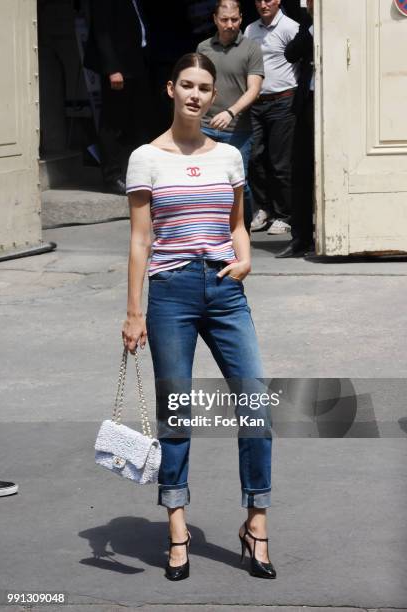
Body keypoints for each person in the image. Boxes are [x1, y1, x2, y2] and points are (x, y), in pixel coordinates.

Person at [122, 52, 275, 581]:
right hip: (170, 293)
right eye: (186, 85)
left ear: (214, 97)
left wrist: (247, 256)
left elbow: (236, 224)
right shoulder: (146, 157)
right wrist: (133, 311)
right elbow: (140, 240)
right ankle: (178, 529)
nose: (195, 94)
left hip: (225, 290)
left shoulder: (228, 157)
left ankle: (256, 523)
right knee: (178, 414)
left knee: (255, 401)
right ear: (170, 89)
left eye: (204, 88)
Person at [197, 0, 264, 231]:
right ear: (215, 19)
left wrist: (230, 111)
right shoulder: (203, 48)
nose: (229, 25)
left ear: (241, 18)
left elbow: (254, 89)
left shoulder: (251, 48)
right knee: (205, 181)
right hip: (204, 126)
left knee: (239, 183)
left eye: (234, 19)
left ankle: (242, 231)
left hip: (237, 129)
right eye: (224, 20)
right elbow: (198, 86)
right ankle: (211, 230)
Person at [84, 0, 151, 195]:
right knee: (112, 121)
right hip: (119, 69)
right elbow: (102, 32)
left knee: (137, 120)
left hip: (136, 64)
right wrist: (112, 69)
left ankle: (134, 172)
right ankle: (112, 176)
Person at [245, 0, 299, 235]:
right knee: (254, 156)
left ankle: (284, 215)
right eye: (259, 0)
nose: (263, 4)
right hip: (256, 102)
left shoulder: (290, 27)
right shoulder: (250, 29)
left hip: (283, 101)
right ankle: (263, 209)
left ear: (278, 1)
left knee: (280, 162)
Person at [276, 0, 314, 257]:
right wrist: (313, 27)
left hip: (342, 105)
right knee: (300, 170)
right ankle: (300, 237)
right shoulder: (308, 25)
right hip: (307, 105)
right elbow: (291, 53)